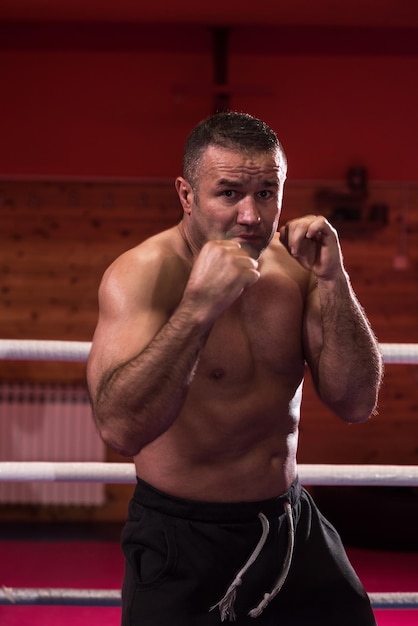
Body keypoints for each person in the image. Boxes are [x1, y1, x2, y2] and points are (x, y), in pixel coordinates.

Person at [87, 111, 383, 625]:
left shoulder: (297, 267)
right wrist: (198, 308)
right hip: (183, 536)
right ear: (186, 195)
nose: (251, 215)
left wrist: (336, 280)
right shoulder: (143, 275)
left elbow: (356, 402)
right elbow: (120, 428)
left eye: (266, 193)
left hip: (289, 521)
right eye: (229, 194)